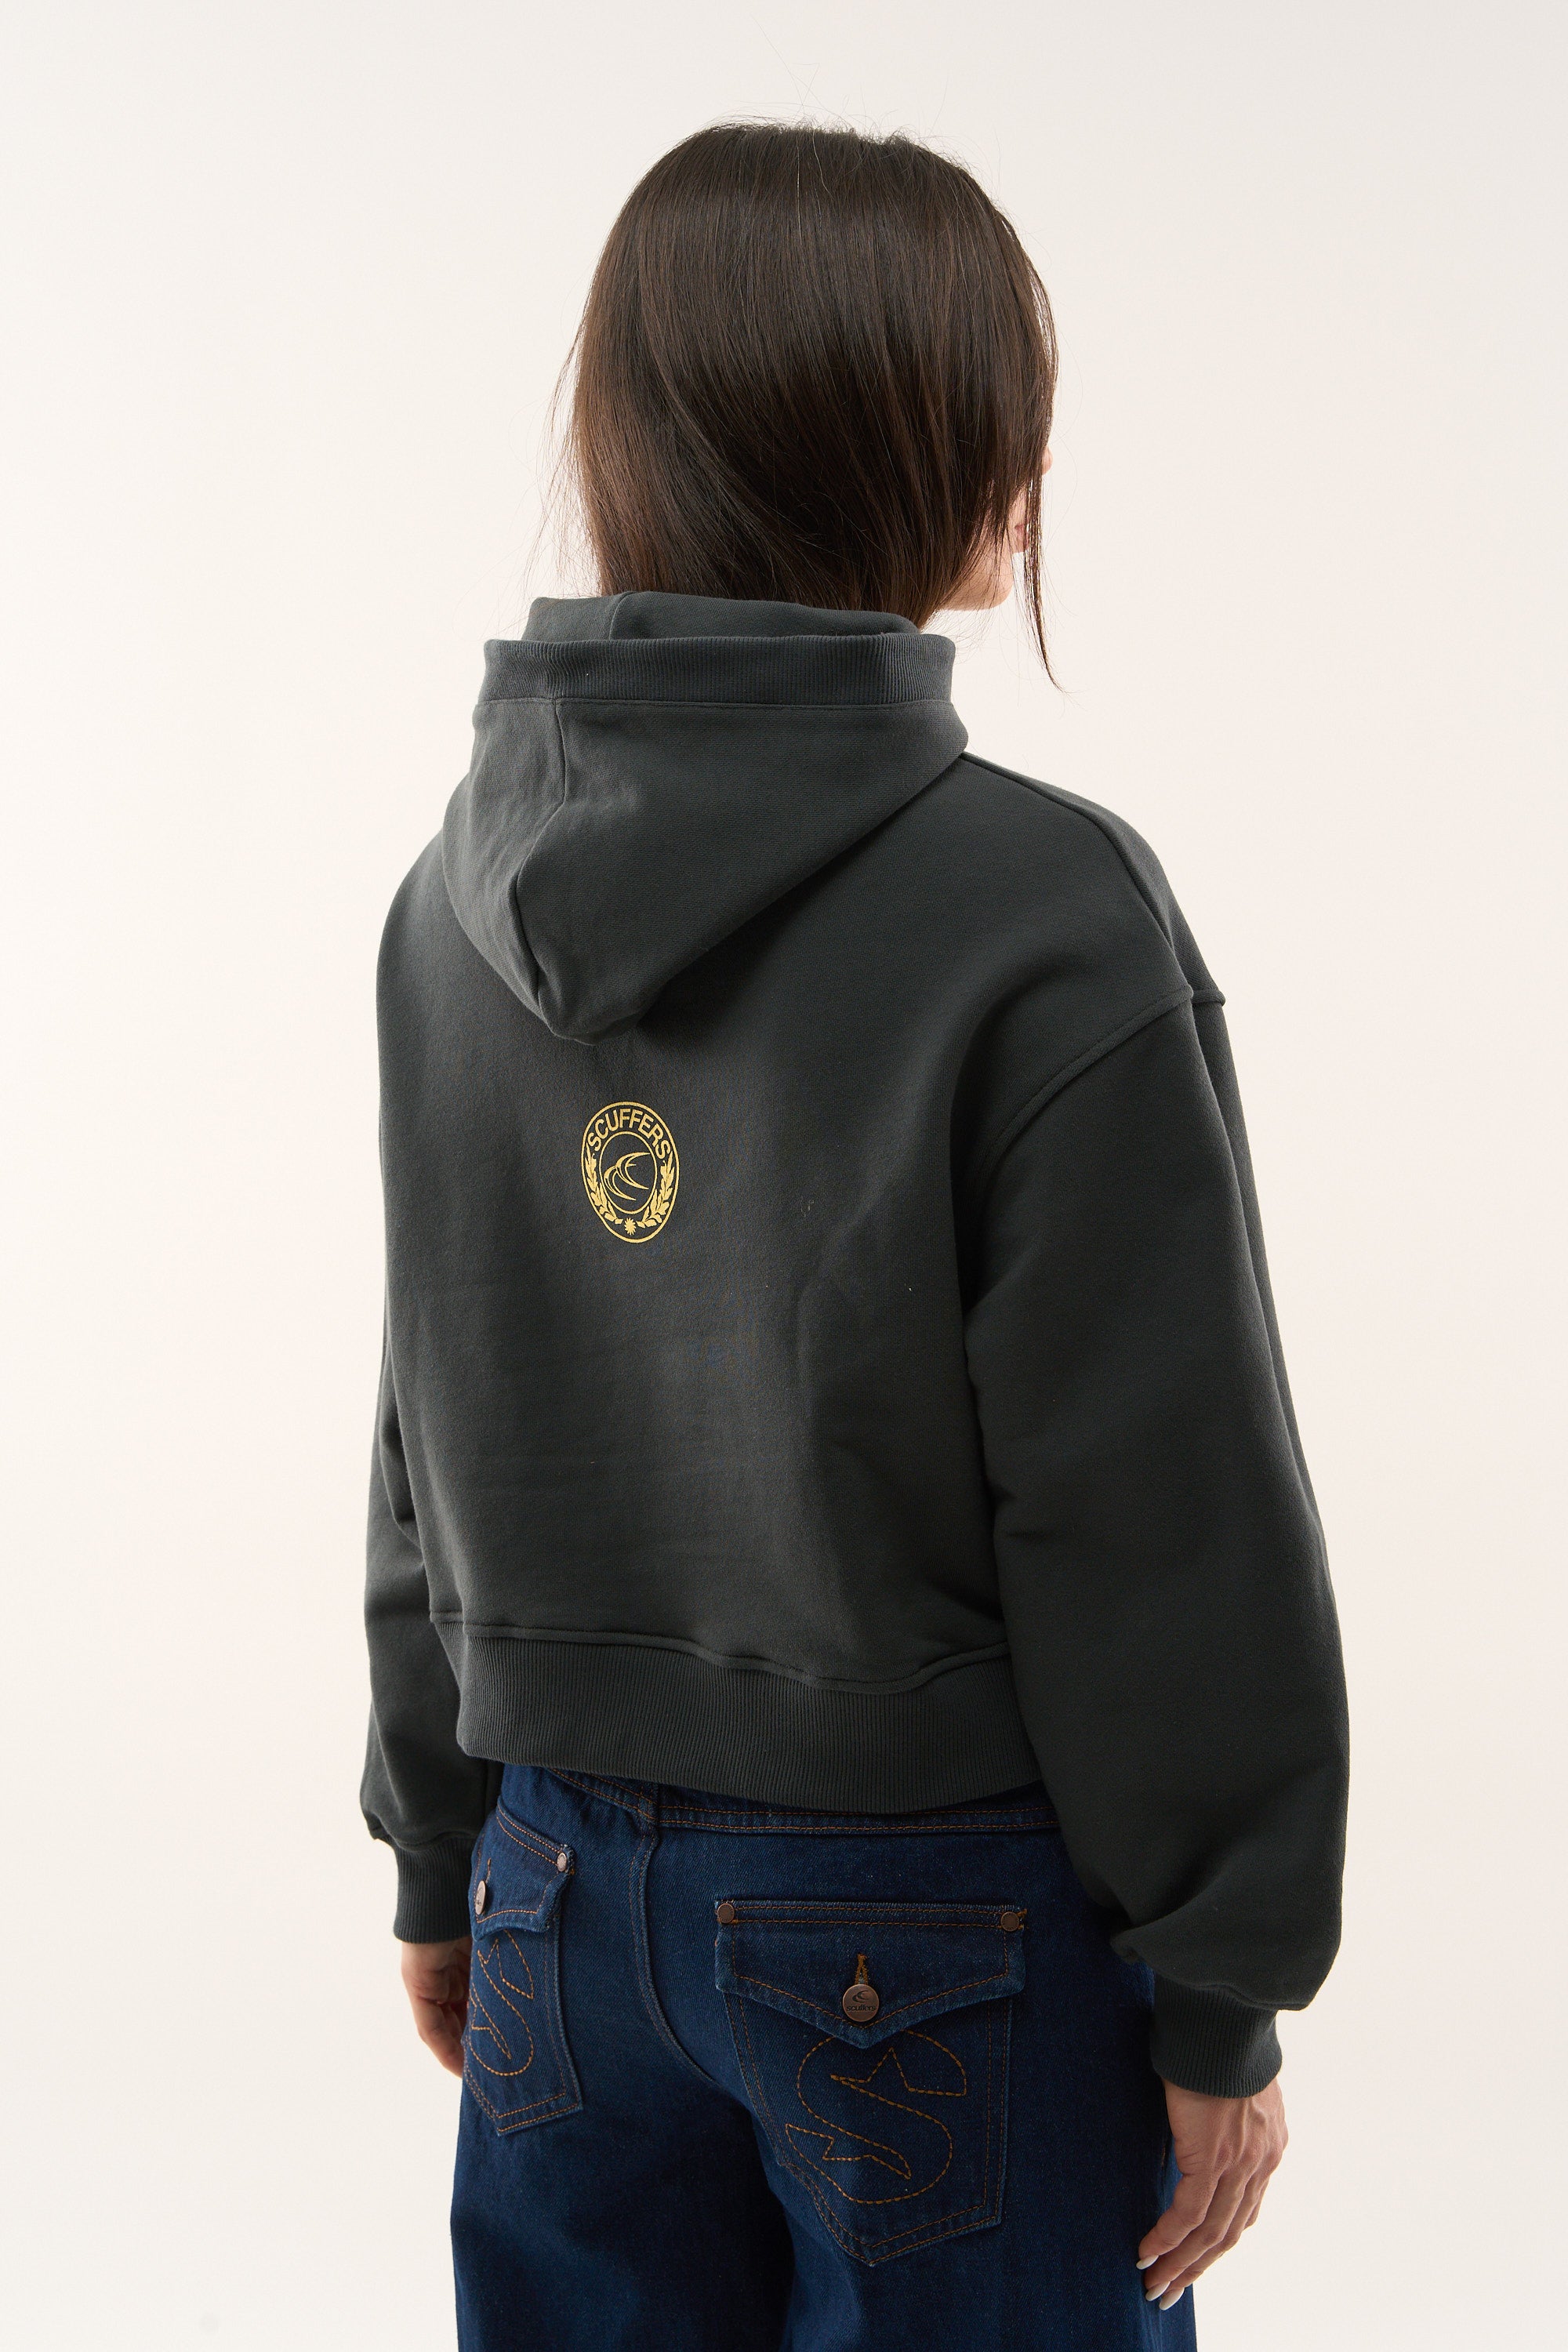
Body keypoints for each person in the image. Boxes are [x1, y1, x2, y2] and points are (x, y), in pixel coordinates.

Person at [361, 122, 1348, 2351]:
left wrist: (442, 1842)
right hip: (935, 1922)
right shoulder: (1044, 910)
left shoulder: (444, 904)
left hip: (545, 1890)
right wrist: (1223, 1976)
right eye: (1005, 401)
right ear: (899, 436)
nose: (1037, 465)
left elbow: (428, 1422)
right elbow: (1151, 1501)